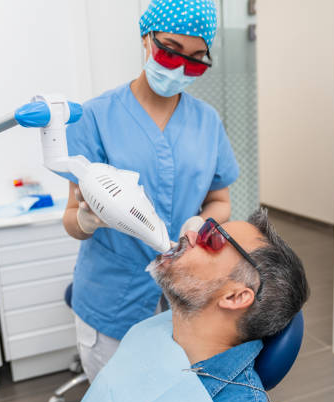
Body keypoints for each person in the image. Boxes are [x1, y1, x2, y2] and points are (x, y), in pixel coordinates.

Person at [61, 0, 240, 381]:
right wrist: (88, 220)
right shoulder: (94, 117)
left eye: (195, 61)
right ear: (146, 38)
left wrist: (200, 222)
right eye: (170, 51)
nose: (179, 68)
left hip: (187, 294)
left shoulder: (207, 122)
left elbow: (220, 200)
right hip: (113, 296)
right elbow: (71, 220)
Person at [78, 208, 310, 402]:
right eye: (204, 229)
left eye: (213, 238)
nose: (190, 233)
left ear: (235, 297)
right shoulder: (150, 331)